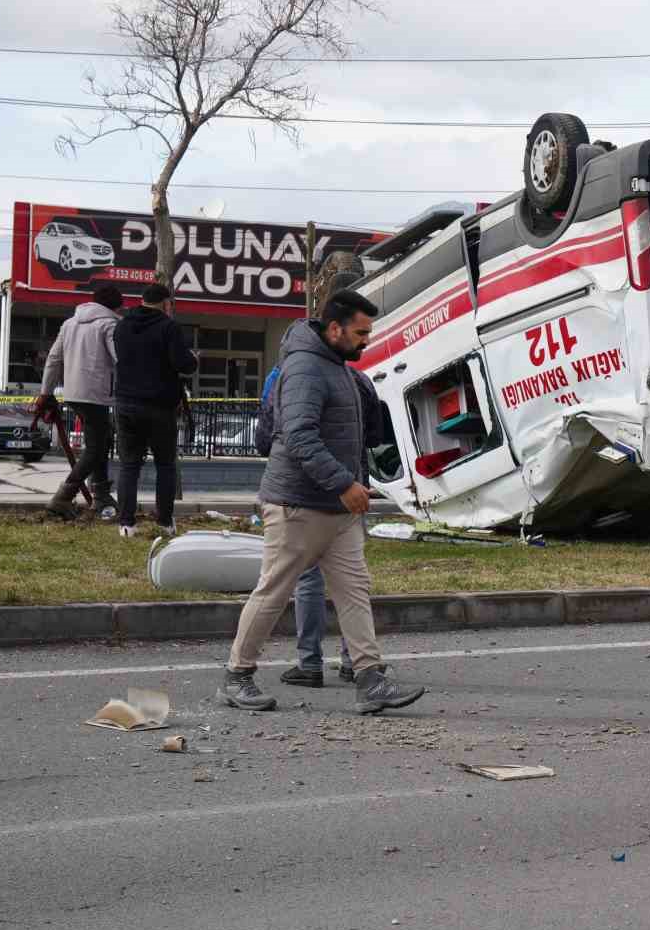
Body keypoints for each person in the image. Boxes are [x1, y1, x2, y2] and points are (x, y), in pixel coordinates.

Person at [217, 291, 424, 714]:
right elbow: (298, 436)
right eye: (361, 332)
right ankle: (237, 676)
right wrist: (344, 483)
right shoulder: (306, 367)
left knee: (354, 591)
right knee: (274, 592)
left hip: (337, 509)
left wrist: (350, 486)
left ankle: (370, 679)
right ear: (335, 329)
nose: (367, 339)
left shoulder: (337, 366)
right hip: (297, 504)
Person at [255, 361, 352, 687]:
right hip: (350, 489)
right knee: (351, 581)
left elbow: (265, 438)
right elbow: (376, 432)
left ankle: (309, 663)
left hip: (303, 490)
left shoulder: (281, 376)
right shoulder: (355, 377)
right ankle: (358, 662)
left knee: (305, 577)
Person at [112, 283, 198, 537]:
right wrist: (194, 358)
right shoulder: (168, 327)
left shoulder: (122, 326)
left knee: (129, 465)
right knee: (165, 465)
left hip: (126, 403)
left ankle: (126, 524)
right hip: (159, 406)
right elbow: (184, 364)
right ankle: (164, 522)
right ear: (165, 303)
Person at [39, 285, 123, 519]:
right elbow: (121, 358)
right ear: (117, 307)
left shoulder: (69, 324)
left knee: (100, 442)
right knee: (97, 447)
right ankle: (63, 498)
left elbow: (53, 359)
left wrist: (46, 392)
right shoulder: (109, 325)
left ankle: (101, 495)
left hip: (73, 393)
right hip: (97, 394)